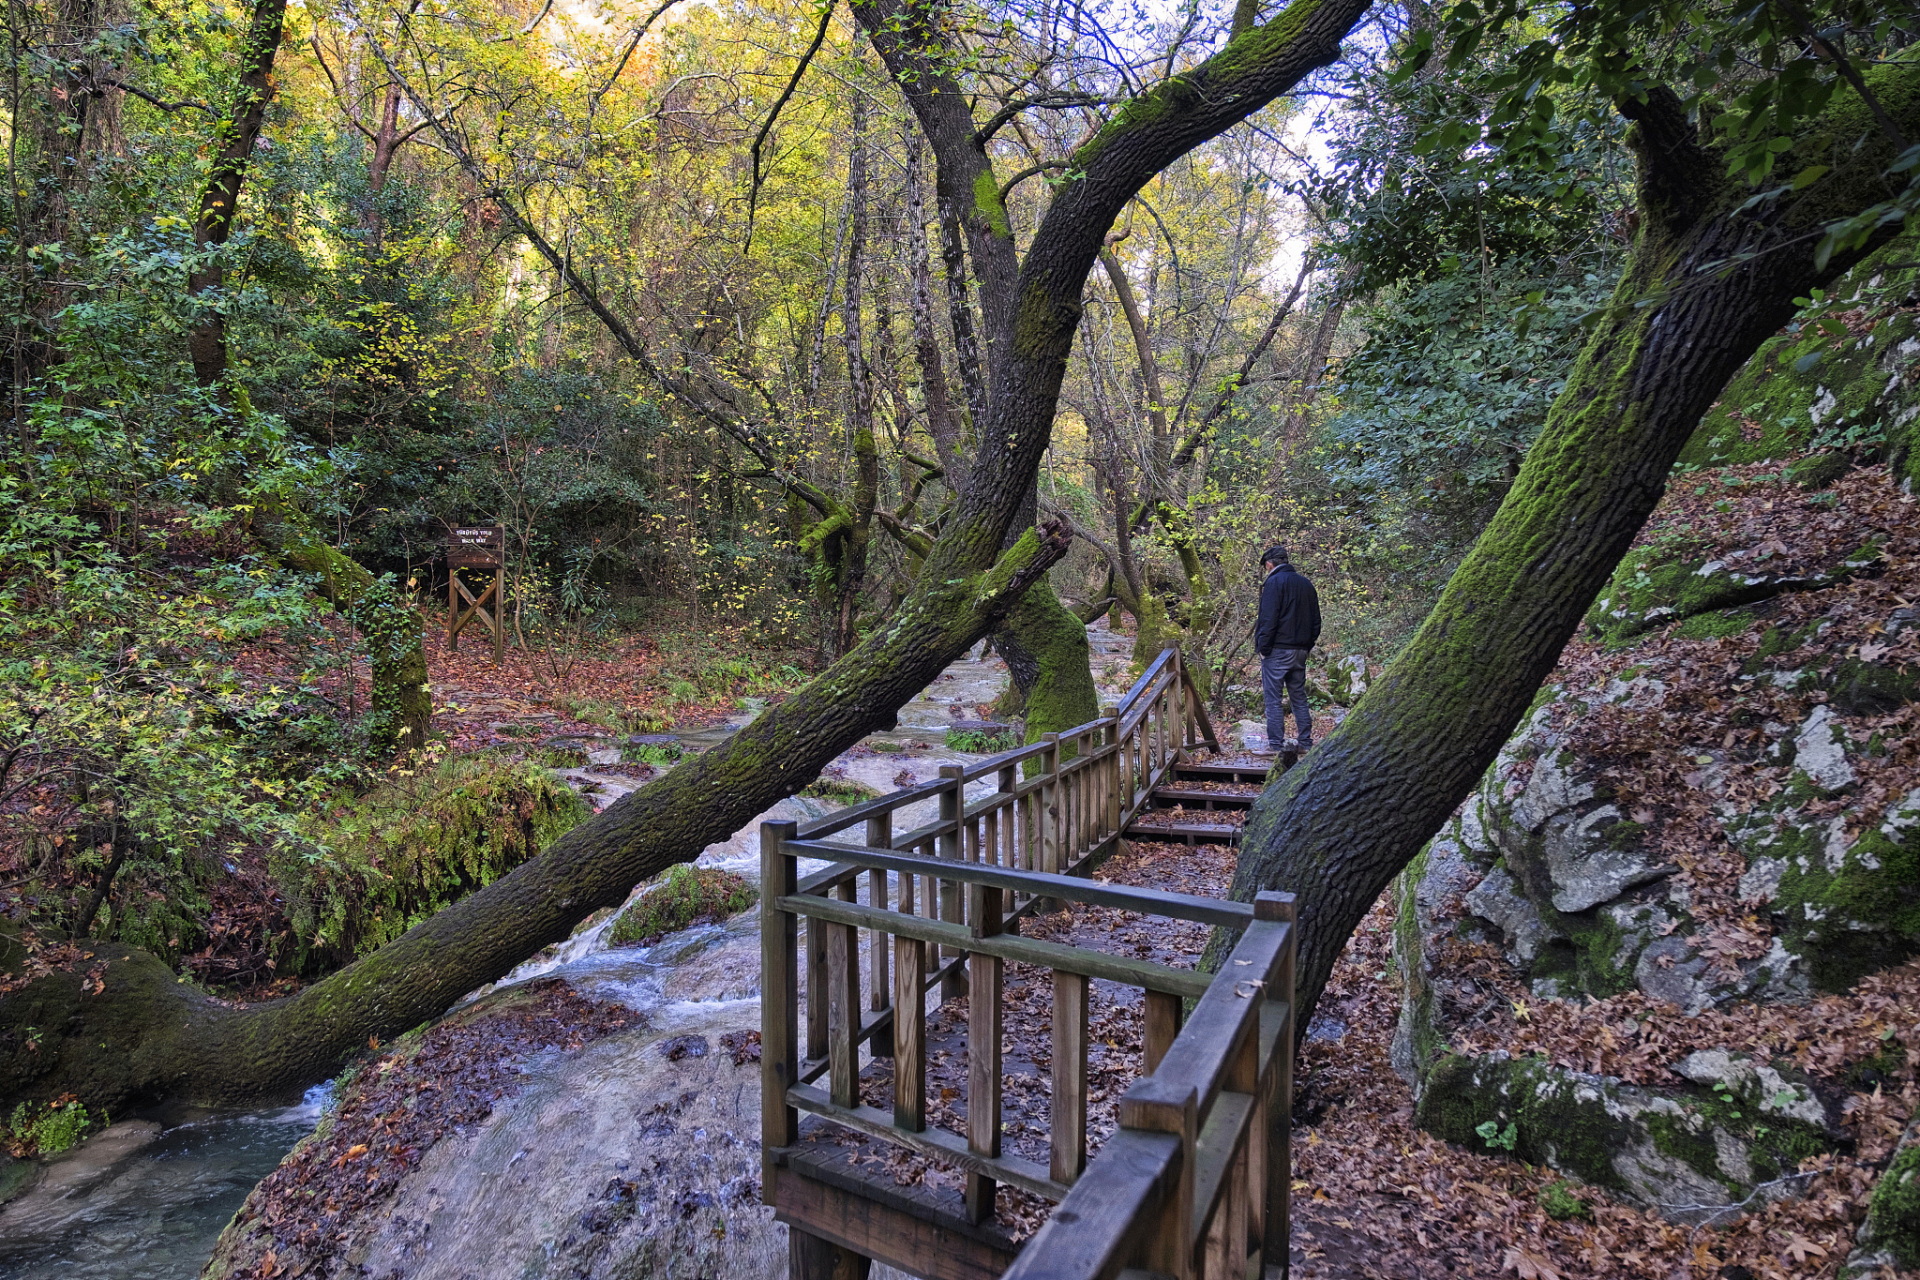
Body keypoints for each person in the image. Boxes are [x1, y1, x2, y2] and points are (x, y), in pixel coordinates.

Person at [1254, 544, 1321, 752]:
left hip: (1277, 650)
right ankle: (1306, 743)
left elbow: (1268, 619)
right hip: (1300, 651)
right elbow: (1316, 621)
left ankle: (1275, 745)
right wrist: (1307, 645)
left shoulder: (1273, 583)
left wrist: (1263, 648)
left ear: (1269, 564)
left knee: (1273, 699)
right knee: (1298, 697)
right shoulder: (1306, 584)